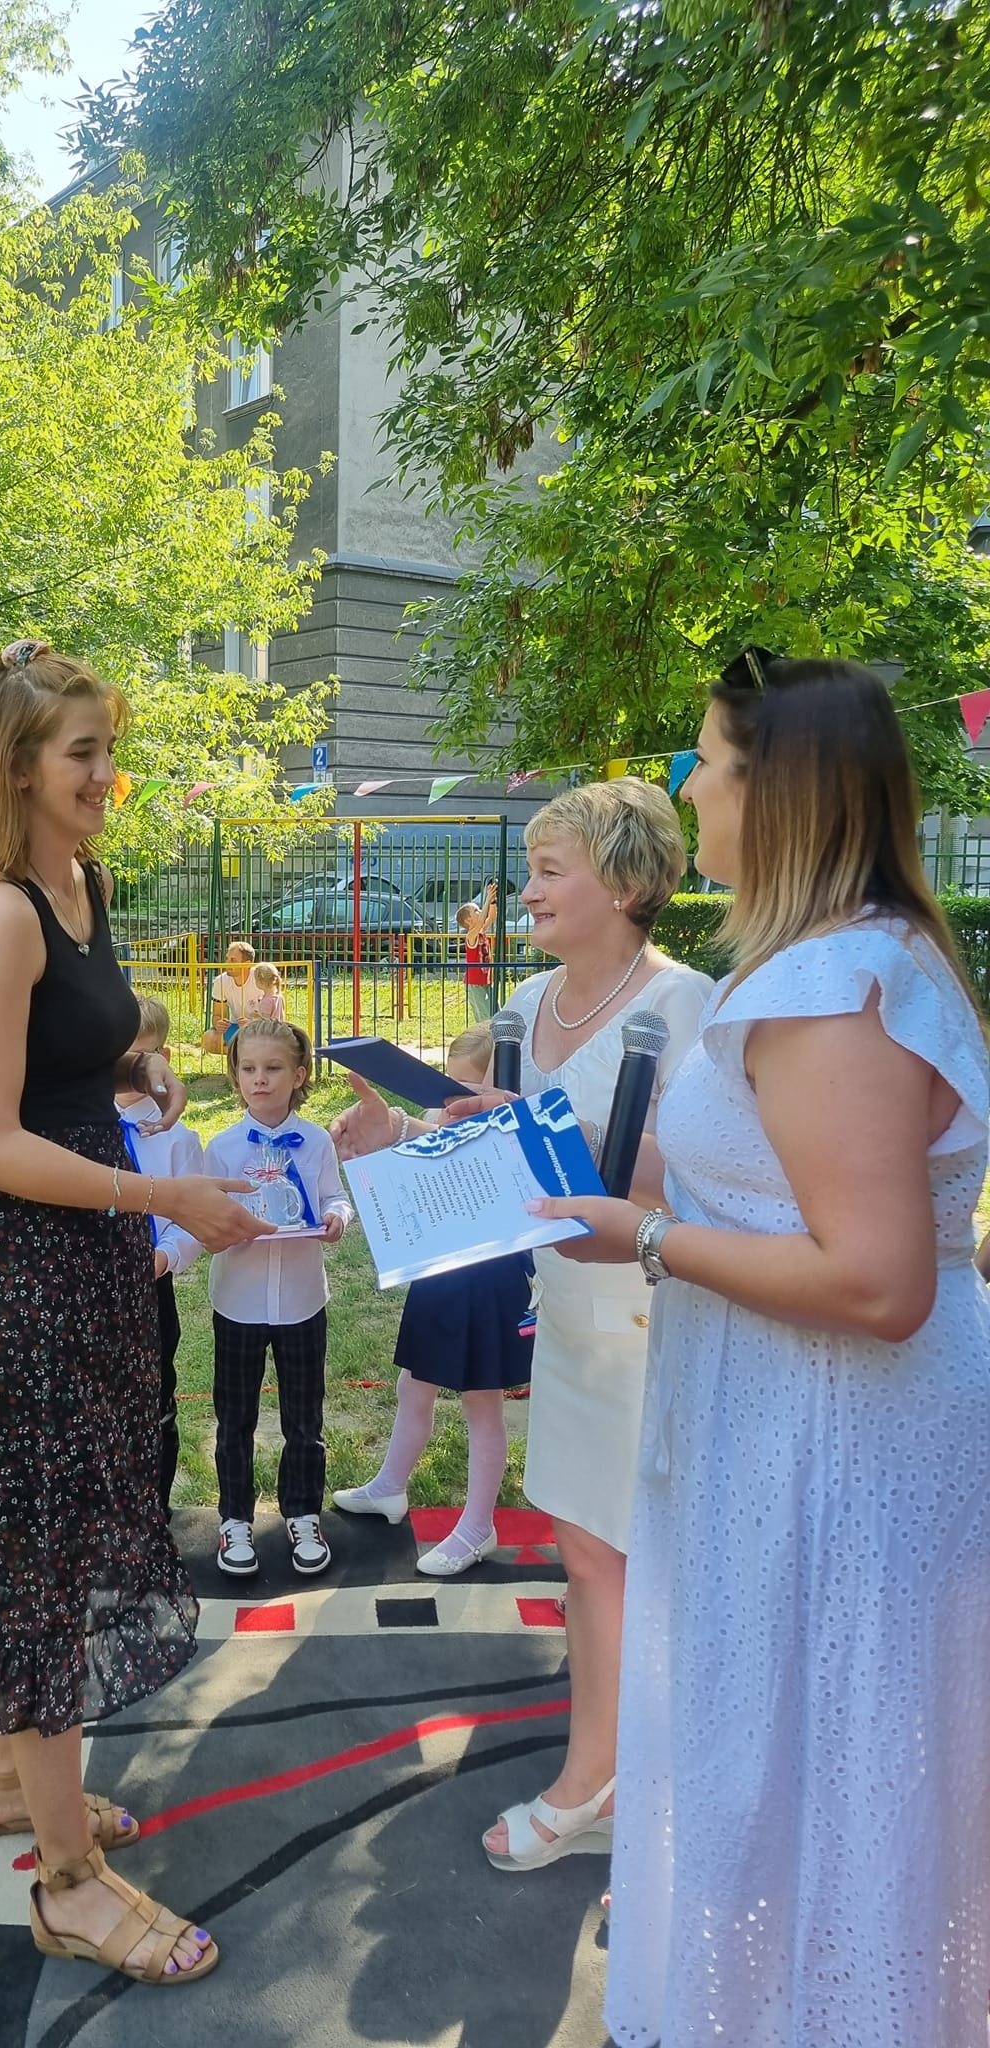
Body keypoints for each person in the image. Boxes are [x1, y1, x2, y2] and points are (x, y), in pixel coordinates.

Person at [529, 654, 990, 2048]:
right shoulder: (823, 961)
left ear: (777, 792)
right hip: (795, 1434)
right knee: (786, 1772)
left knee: (831, 1777)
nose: (688, 791)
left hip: (839, 1451)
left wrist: (649, 1242)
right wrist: (515, 1138)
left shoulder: (836, 985)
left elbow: (876, 1279)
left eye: (707, 765)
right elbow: (726, 1177)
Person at [0, 638, 269, 1985]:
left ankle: (6, 1780)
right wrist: (163, 1193)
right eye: (82, 754)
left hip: (87, 1253)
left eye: (110, 750)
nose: (106, 775)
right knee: (41, 1555)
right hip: (17, 1269)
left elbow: (68, 1051)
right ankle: (68, 1886)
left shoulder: (85, 882)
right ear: (17, 766)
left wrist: (139, 1068)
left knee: (51, 1532)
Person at [330, 777, 708, 1870]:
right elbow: (497, 1159)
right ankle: (618, 1769)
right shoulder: (526, 1001)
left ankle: (608, 1785)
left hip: (653, 1315)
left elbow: (704, 1175)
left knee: (632, 1558)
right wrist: (399, 1145)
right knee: (586, 1549)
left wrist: (549, 1131)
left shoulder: (689, 1005)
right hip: (564, 1312)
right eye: (530, 869)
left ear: (626, 883)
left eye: (549, 870)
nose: (524, 890)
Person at [332, 1021, 534, 1574]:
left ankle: (478, 1526)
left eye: (467, 1093)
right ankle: (389, 1487)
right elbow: (427, 1148)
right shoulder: (447, 1121)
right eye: (447, 1090)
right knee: (413, 1383)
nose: (453, 1106)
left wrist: (404, 1126)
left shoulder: (512, 1141)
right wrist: (395, 1128)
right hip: (441, 1273)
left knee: (481, 1405)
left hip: (490, 1283)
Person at [205, 1017, 354, 1577]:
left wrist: (336, 1218)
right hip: (238, 1303)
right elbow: (206, 1216)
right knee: (234, 1417)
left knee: (304, 1417)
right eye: (248, 1069)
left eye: (272, 1068)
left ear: (299, 1075)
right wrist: (217, 1231)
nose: (259, 1079)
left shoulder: (316, 1142)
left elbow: (335, 1197)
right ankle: (234, 1519)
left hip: (301, 1301)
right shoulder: (221, 1148)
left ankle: (302, 1513)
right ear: (235, 1075)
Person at [116, 995, 205, 1517]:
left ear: (163, 1059)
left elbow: (192, 1220)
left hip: (151, 1287)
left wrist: (163, 1258)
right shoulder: (82, 1129)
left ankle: (153, 1508)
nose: (127, 1067)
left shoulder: (179, 1140)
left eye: (140, 1055)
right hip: (91, 1285)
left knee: (154, 1397)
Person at [202, 939, 259, 1054]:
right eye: (227, 959)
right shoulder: (220, 981)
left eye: (233, 960)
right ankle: (241, 1053)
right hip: (235, 1027)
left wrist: (252, 1024)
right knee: (208, 1039)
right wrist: (218, 1023)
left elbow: (274, 1016)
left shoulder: (260, 979)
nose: (227, 963)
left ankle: (237, 1053)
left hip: (260, 1029)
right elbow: (217, 1015)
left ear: (247, 964)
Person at [455, 881, 497, 1022]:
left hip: (485, 980)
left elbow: (491, 917)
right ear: (468, 920)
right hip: (475, 983)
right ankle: (484, 1036)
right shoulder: (471, 936)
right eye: (476, 911)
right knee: (484, 1017)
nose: (479, 912)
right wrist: (487, 899)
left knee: (494, 1012)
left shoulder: (481, 931)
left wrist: (492, 900)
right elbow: (481, 921)